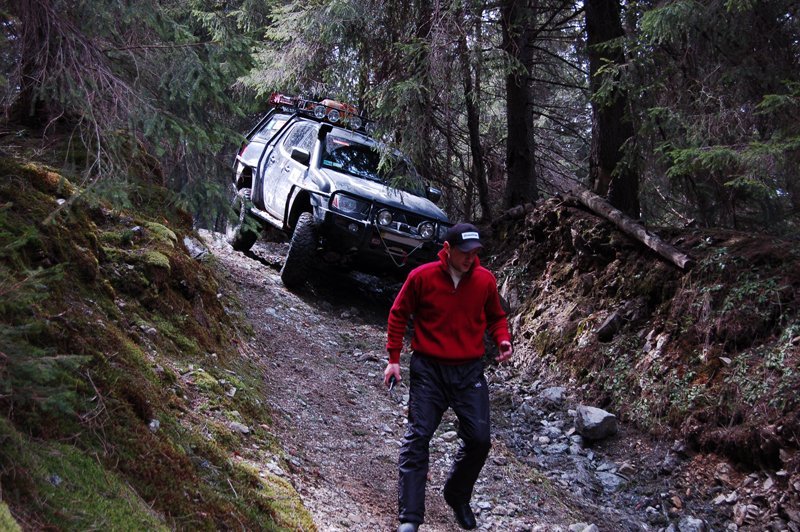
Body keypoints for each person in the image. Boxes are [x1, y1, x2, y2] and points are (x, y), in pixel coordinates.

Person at [383, 222, 513, 531]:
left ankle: (456, 495)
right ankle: (410, 519)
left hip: (469, 371)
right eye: (465, 253)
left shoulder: (484, 281)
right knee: (418, 436)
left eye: (475, 253)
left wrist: (503, 339)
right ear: (449, 249)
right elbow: (398, 314)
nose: (470, 259)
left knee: (480, 440)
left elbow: (496, 317)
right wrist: (393, 360)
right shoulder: (422, 277)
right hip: (429, 369)